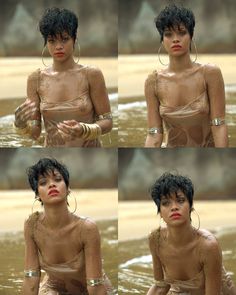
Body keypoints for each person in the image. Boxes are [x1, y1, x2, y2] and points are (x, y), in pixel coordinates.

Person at [14, 7, 112, 147]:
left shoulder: (91, 74)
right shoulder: (35, 79)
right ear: (46, 43)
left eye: (64, 39)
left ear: (74, 39)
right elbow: (35, 133)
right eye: (52, 41)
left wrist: (84, 129)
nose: (58, 46)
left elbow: (108, 122)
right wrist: (19, 124)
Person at [22, 158, 113, 295]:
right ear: (37, 194)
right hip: (53, 288)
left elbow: (94, 285)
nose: (52, 185)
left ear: (68, 188)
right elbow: (31, 277)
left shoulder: (87, 228)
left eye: (58, 179)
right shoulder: (32, 226)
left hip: (90, 289)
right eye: (43, 183)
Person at [145, 4, 228, 147]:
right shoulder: (153, 81)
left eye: (182, 32)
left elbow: (219, 125)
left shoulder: (209, 74)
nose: (175, 39)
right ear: (162, 39)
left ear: (191, 36)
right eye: (168, 34)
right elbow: (154, 133)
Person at [147, 172, 236, 295]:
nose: (174, 207)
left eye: (180, 200)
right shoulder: (155, 240)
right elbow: (160, 285)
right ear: (160, 212)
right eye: (166, 203)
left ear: (191, 207)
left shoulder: (208, 246)